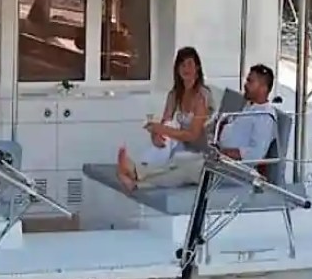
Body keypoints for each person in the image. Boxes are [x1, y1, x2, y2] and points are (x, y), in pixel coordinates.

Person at [117, 62, 278, 192]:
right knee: (179, 159)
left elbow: (256, 153)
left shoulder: (265, 116)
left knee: (187, 171)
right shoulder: (250, 107)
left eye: (250, 82)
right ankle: (136, 175)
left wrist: (225, 154)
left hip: (237, 172)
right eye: (247, 80)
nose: (245, 84)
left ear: (263, 88)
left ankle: (137, 179)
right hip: (221, 161)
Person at [115, 47, 213, 191]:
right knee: (167, 132)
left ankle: (136, 173)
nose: (186, 69)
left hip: (199, 153)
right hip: (180, 149)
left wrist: (162, 129)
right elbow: (165, 123)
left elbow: (193, 135)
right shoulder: (174, 95)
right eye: (182, 65)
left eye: (190, 64)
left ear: (197, 68)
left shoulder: (203, 96)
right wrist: (156, 135)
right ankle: (136, 171)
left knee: (176, 169)